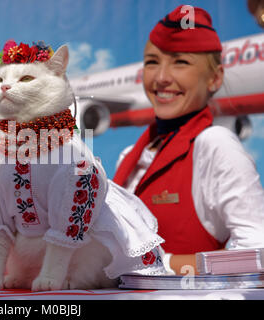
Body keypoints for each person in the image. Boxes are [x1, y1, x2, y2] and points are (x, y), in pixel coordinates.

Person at [113, 5, 264, 275]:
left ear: (215, 78)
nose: (161, 78)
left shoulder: (215, 145)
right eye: (152, 62)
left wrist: (164, 262)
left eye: (180, 62)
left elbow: (258, 255)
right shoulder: (131, 156)